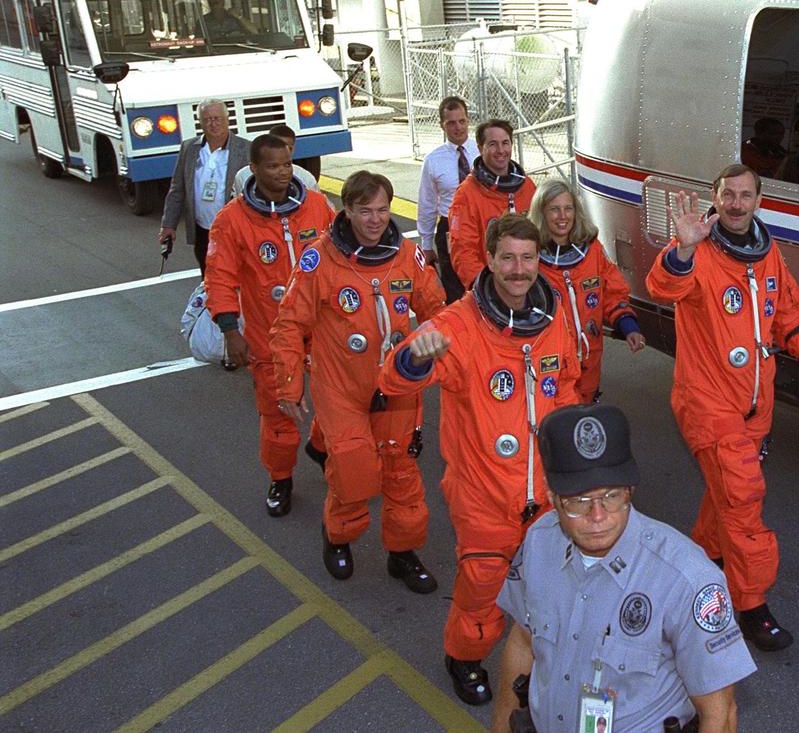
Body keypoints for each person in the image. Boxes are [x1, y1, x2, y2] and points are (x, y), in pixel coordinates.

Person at [377, 213, 580, 706]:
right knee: (482, 591)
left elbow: (568, 388)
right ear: (488, 259)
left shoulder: (554, 319)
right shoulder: (459, 324)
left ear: (539, 261)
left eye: (527, 258)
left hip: (547, 492)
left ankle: (534, 662)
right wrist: (416, 357)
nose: (517, 269)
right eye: (506, 257)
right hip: (485, 493)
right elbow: (391, 379)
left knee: (551, 590)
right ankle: (464, 658)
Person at [645, 164, 799, 652]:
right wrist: (685, 247)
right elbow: (661, 289)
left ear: (759, 201)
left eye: (745, 195)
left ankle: (702, 562)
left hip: (756, 404)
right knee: (743, 497)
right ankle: (751, 603)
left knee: (723, 497)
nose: (735, 203)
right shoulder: (700, 256)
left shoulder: (767, 252)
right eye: (727, 195)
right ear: (714, 198)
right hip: (708, 401)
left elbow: (787, 315)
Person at [491, 404, 756, 733]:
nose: (598, 516)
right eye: (579, 501)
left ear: (630, 491)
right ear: (553, 497)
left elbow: (721, 715)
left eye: (612, 496)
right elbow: (522, 642)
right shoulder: (539, 543)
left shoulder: (686, 578)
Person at [271, 170, 445, 594]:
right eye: (365, 210)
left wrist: (435, 343)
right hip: (341, 388)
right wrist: (289, 385)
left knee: (401, 472)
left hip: (397, 390)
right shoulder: (320, 259)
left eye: (383, 210)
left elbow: (438, 311)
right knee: (352, 470)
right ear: (346, 210)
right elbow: (289, 325)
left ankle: (402, 554)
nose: (375, 219)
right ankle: (338, 537)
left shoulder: (407, 256)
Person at [204, 134, 334, 516]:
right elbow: (219, 277)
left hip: (322, 328)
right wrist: (231, 330)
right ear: (255, 169)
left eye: (287, 164)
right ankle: (281, 478)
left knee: (336, 401)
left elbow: (344, 255)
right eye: (273, 166)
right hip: (270, 335)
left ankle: (321, 447)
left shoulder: (315, 206)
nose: (282, 172)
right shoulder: (232, 220)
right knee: (279, 416)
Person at [528, 179, 645, 403]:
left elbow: (613, 291)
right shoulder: (530, 258)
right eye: (554, 209)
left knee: (586, 411)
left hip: (589, 355)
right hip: (551, 360)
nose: (563, 216)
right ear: (541, 213)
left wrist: (628, 326)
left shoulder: (591, 249)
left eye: (568, 208)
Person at [160, 99, 250, 276]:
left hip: (234, 231)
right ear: (200, 122)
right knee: (208, 278)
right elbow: (177, 189)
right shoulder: (189, 148)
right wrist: (168, 225)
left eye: (217, 118)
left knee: (237, 276)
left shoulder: (246, 148)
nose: (213, 124)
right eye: (207, 119)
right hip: (202, 230)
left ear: (227, 118)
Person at [448, 119, 535, 290]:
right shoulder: (466, 194)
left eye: (505, 143)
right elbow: (463, 252)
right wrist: (485, 289)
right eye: (493, 144)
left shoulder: (527, 187)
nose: (501, 150)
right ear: (481, 148)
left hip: (527, 282)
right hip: (490, 288)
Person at [418, 97, 480, 303]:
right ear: (441, 125)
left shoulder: (484, 151)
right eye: (451, 123)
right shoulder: (433, 160)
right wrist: (426, 246)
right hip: (449, 229)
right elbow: (427, 205)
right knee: (454, 289)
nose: (458, 128)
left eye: (462, 121)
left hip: (481, 225)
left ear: (468, 120)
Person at [231, 125, 318, 199]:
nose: (283, 152)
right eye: (273, 166)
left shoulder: (306, 178)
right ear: (253, 168)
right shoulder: (242, 176)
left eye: (289, 148)